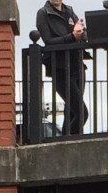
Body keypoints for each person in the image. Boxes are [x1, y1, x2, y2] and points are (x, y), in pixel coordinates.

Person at [36, 0, 88, 136]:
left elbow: (81, 32)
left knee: (71, 111)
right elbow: (48, 41)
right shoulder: (43, 13)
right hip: (60, 68)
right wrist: (71, 37)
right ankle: (67, 140)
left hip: (77, 65)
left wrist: (81, 34)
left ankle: (66, 139)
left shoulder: (69, 11)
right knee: (82, 112)